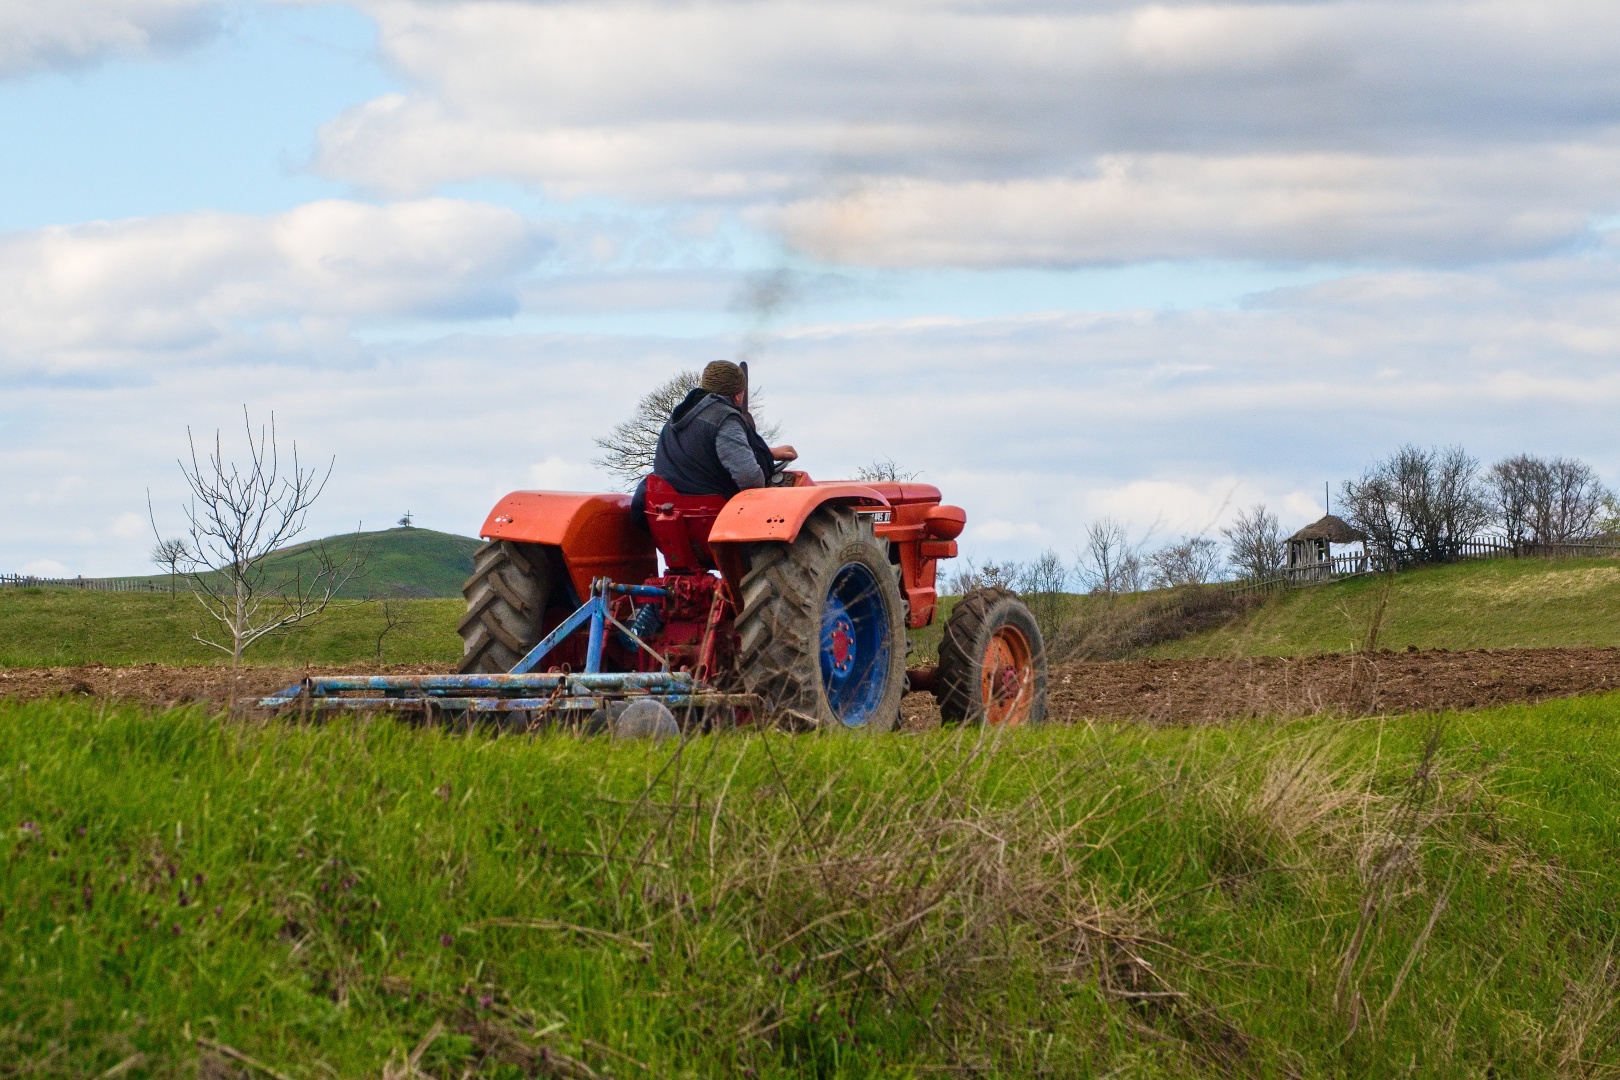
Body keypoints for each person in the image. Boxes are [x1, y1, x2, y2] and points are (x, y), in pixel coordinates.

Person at [647, 361, 798, 499]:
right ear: (738, 395)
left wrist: (768, 453)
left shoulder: (676, 419)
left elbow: (703, 456)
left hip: (668, 510)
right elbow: (750, 478)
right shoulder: (724, 419)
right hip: (711, 513)